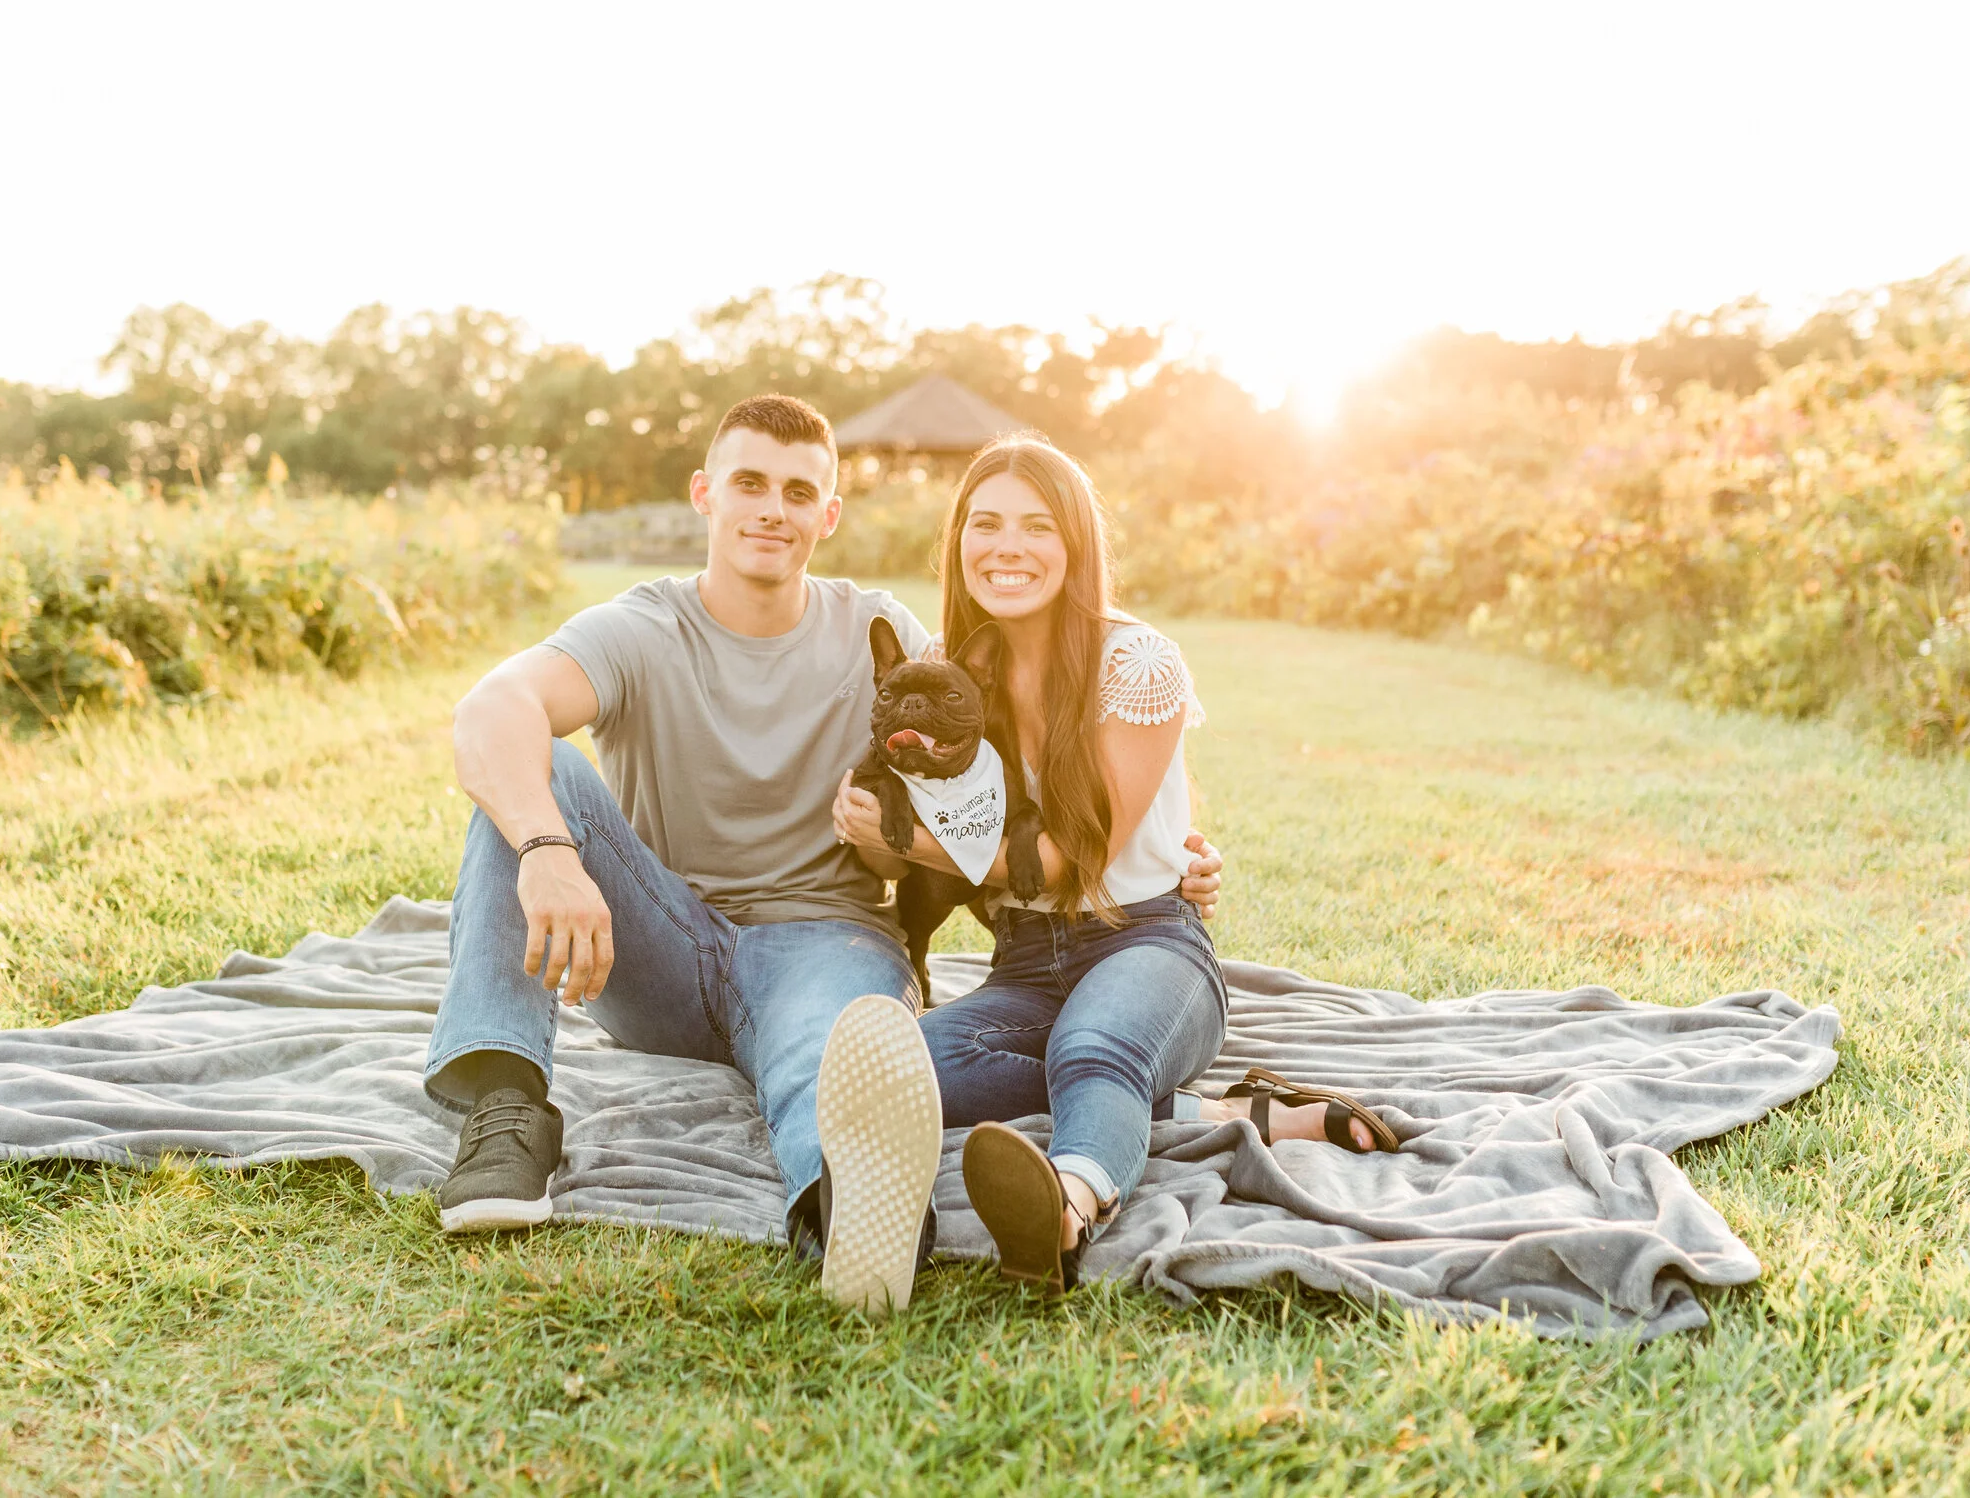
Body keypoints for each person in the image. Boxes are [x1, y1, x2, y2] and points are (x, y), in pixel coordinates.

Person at [423, 395, 1225, 1315]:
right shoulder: (640, 628)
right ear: (705, 495)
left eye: (799, 491)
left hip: (828, 942)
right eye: (750, 484)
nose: (773, 508)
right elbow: (488, 710)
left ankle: (851, 1216)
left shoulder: (890, 640)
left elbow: (1024, 790)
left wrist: (1173, 856)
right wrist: (547, 851)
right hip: (670, 947)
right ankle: (506, 1104)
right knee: (535, 773)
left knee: (847, 1067)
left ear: (828, 515)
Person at [834, 436, 1395, 1294]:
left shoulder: (1134, 661)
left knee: (1095, 1045)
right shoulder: (952, 674)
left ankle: (1063, 1207)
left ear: (1075, 544)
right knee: (908, 1067)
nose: (1007, 546)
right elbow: (917, 816)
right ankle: (1226, 1112)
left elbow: (1067, 860)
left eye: (1036, 525)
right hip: (1023, 963)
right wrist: (870, 821)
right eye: (985, 524)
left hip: (1145, 944)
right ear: (959, 543)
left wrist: (900, 841)